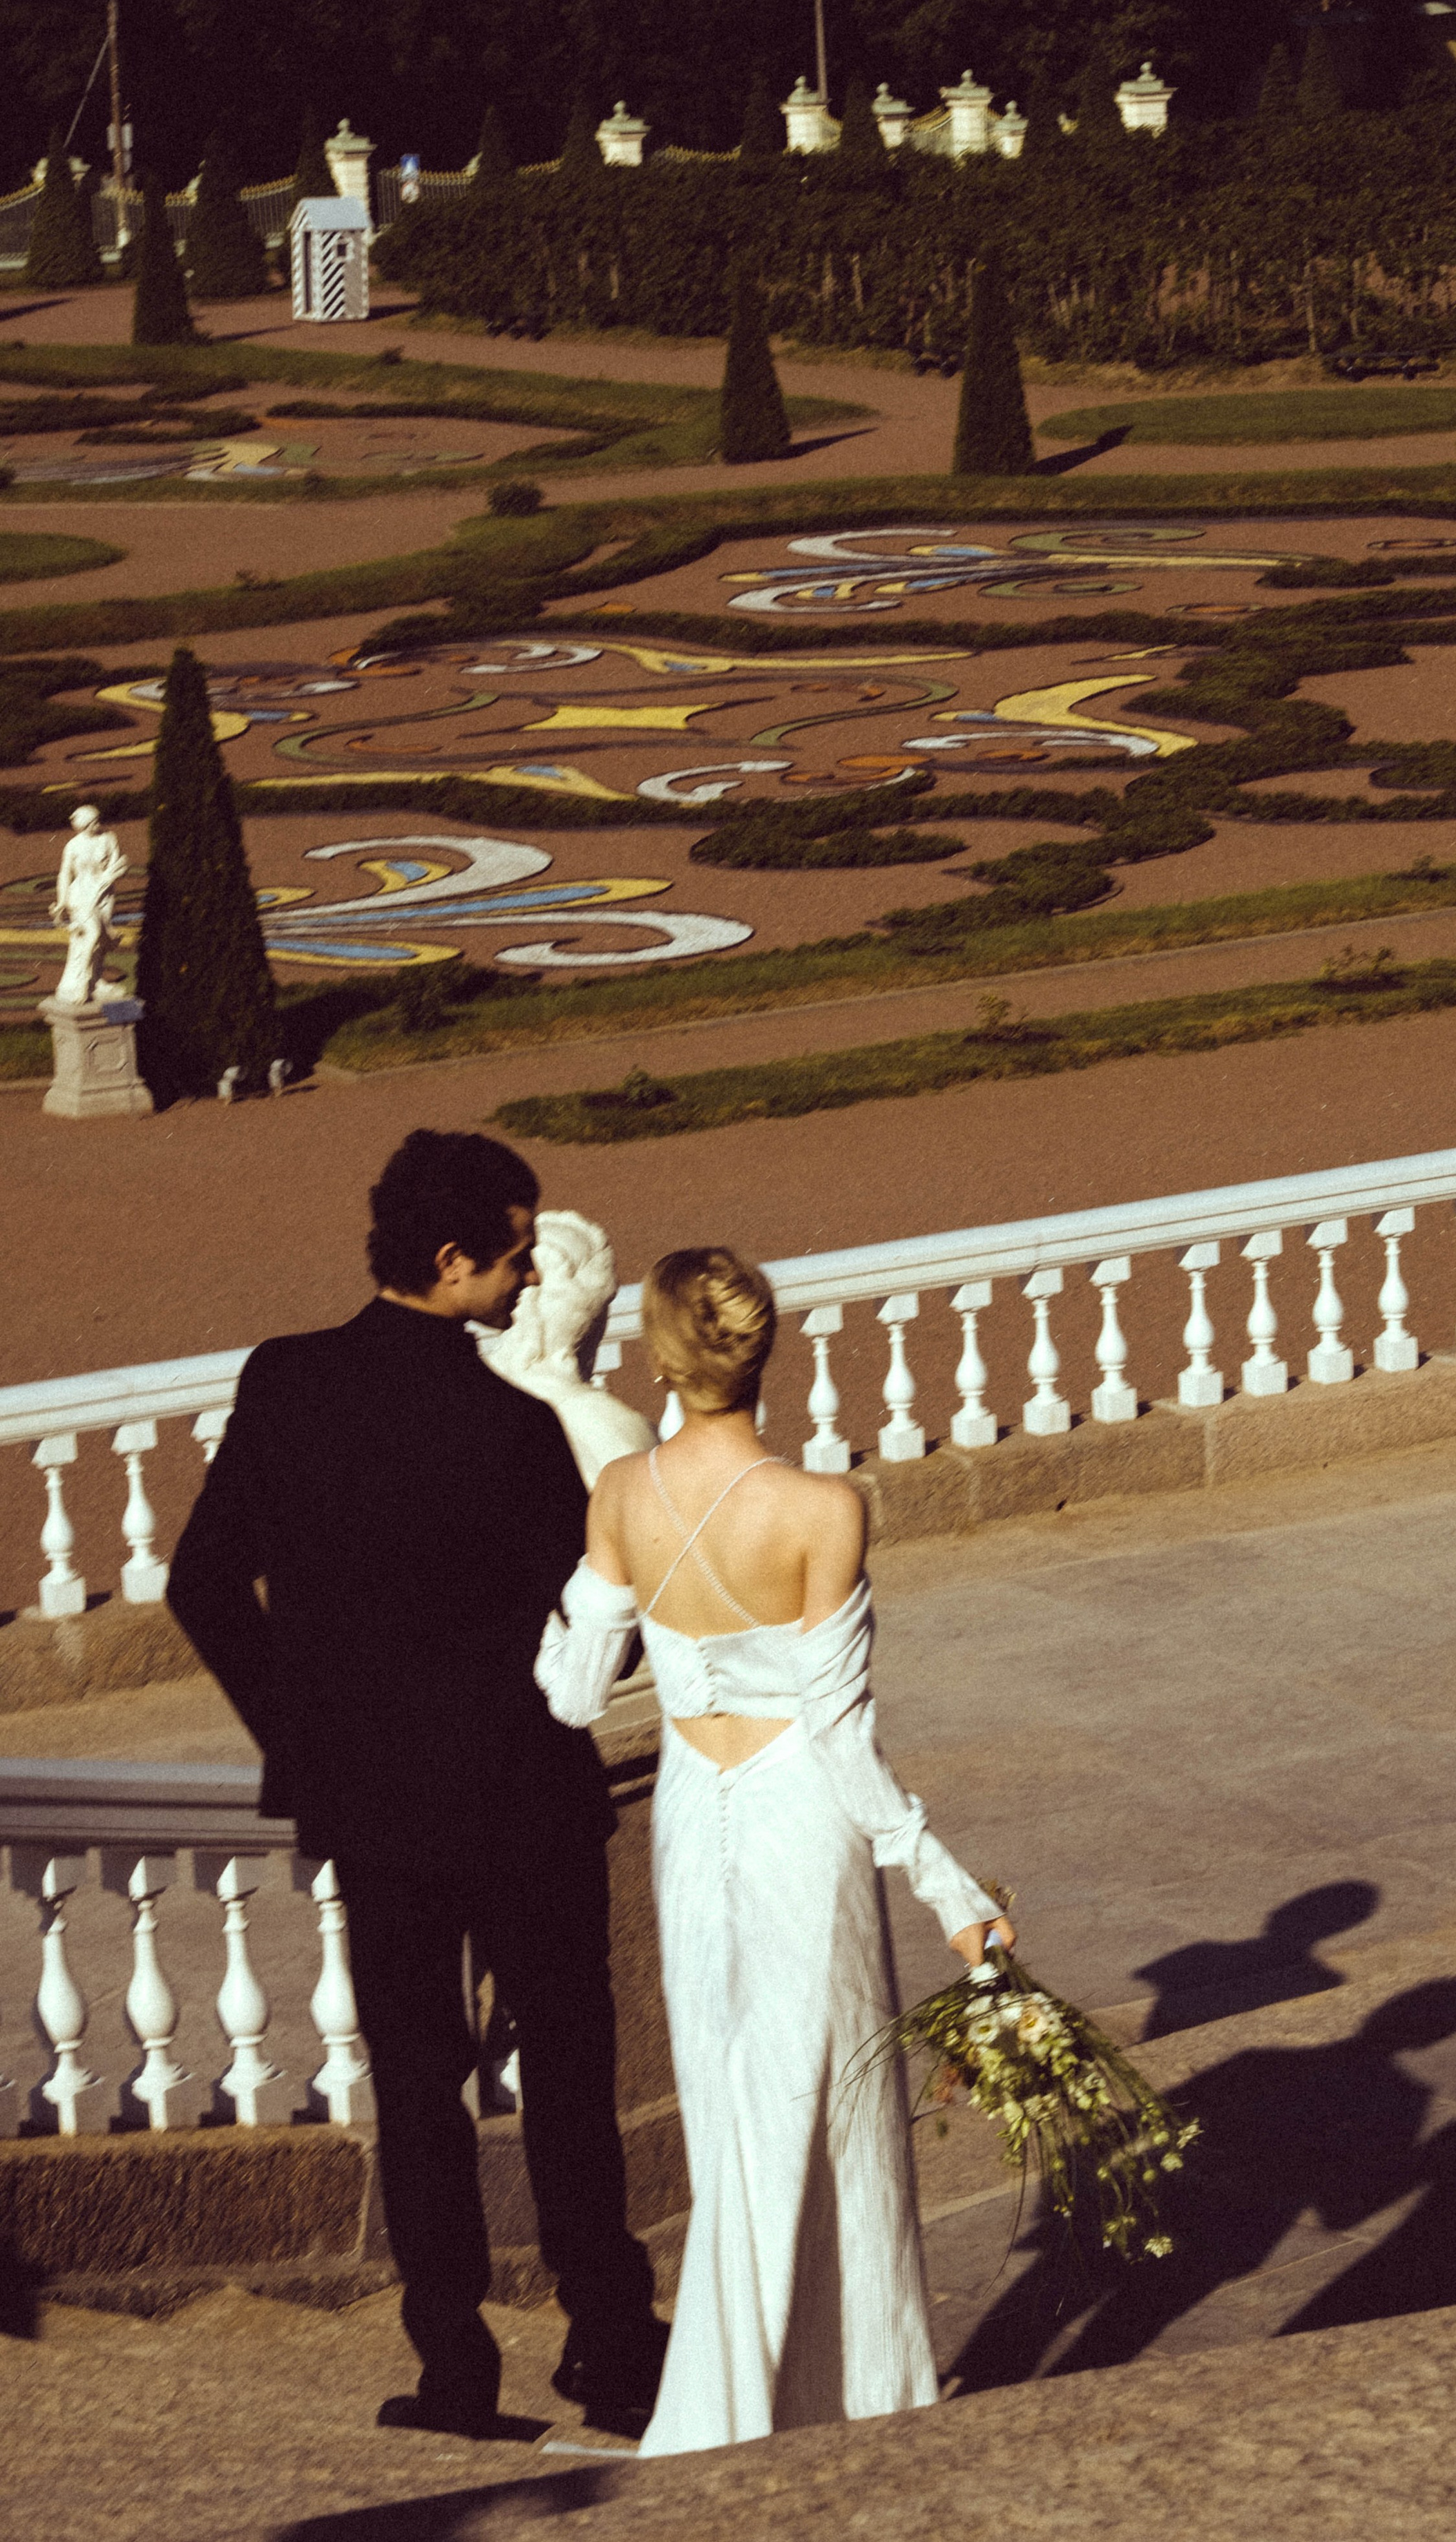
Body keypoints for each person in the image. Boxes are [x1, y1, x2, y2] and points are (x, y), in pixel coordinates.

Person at [168, 1129, 665, 2441]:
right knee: (567, 2069)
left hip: (373, 1806)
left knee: (415, 2086)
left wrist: (306, 1734)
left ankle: (453, 2370)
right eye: (510, 1260)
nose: (522, 1286)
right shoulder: (519, 1404)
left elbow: (201, 1585)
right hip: (524, 1790)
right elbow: (606, 1593)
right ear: (450, 1261)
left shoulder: (285, 1381)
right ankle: (611, 2346)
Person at [534, 1244, 1013, 2458]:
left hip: (700, 1818)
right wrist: (949, 1892)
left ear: (657, 1357)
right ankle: (852, 2401)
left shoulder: (621, 1498)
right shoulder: (822, 1510)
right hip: (801, 1820)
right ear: (765, 1351)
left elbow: (577, 1693)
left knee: (731, 2112)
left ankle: (753, 2405)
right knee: (839, 2113)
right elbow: (844, 1743)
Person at [51, 804, 129, 1007]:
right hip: (81, 895)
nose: (98, 824)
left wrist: (115, 872)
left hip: (104, 895)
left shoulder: (109, 838)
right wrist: (62, 902)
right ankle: (82, 983)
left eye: (98, 820)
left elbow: (118, 864)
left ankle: (96, 981)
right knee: (92, 933)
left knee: (101, 941)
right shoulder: (73, 846)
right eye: (93, 822)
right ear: (83, 827)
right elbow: (65, 874)